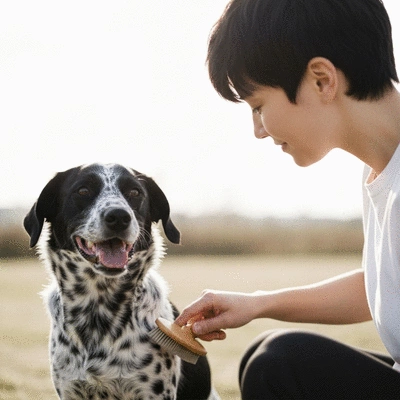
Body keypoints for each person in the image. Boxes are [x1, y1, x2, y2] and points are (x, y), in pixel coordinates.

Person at [175, 0, 400, 398]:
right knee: (262, 355)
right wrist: (257, 304)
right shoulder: (380, 172)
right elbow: (383, 287)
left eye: (258, 106)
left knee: (277, 364)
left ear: (321, 80)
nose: (258, 130)